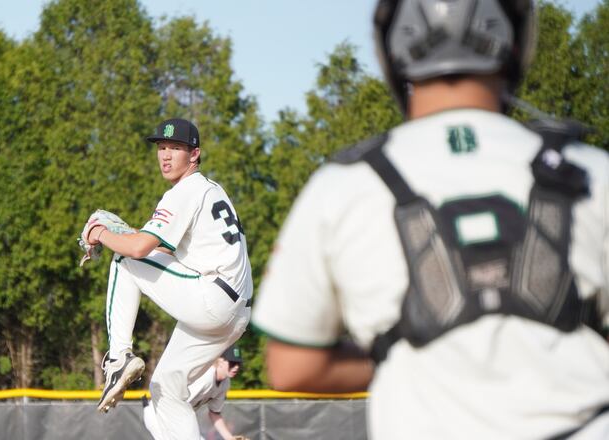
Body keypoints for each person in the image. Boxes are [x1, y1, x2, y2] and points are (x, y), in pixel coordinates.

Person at [252, 0, 609, 439]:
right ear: (513, 44)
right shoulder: (591, 170)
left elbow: (292, 366)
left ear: (393, 50)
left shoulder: (343, 185)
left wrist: (409, 356)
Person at [85, 118, 252, 439]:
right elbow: (160, 246)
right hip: (235, 313)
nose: (165, 155)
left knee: (122, 259)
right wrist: (131, 235)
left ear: (194, 154)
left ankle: (118, 357)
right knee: (166, 387)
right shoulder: (212, 189)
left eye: (175, 148)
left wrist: (100, 232)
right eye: (162, 147)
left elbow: (136, 250)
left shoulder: (184, 192)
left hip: (212, 299)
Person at [143, 344, 245, 440]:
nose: (236, 367)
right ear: (220, 360)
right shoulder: (206, 376)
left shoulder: (225, 383)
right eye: (232, 363)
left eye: (238, 363)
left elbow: (214, 413)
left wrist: (229, 438)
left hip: (175, 416)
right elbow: (178, 403)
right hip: (159, 414)